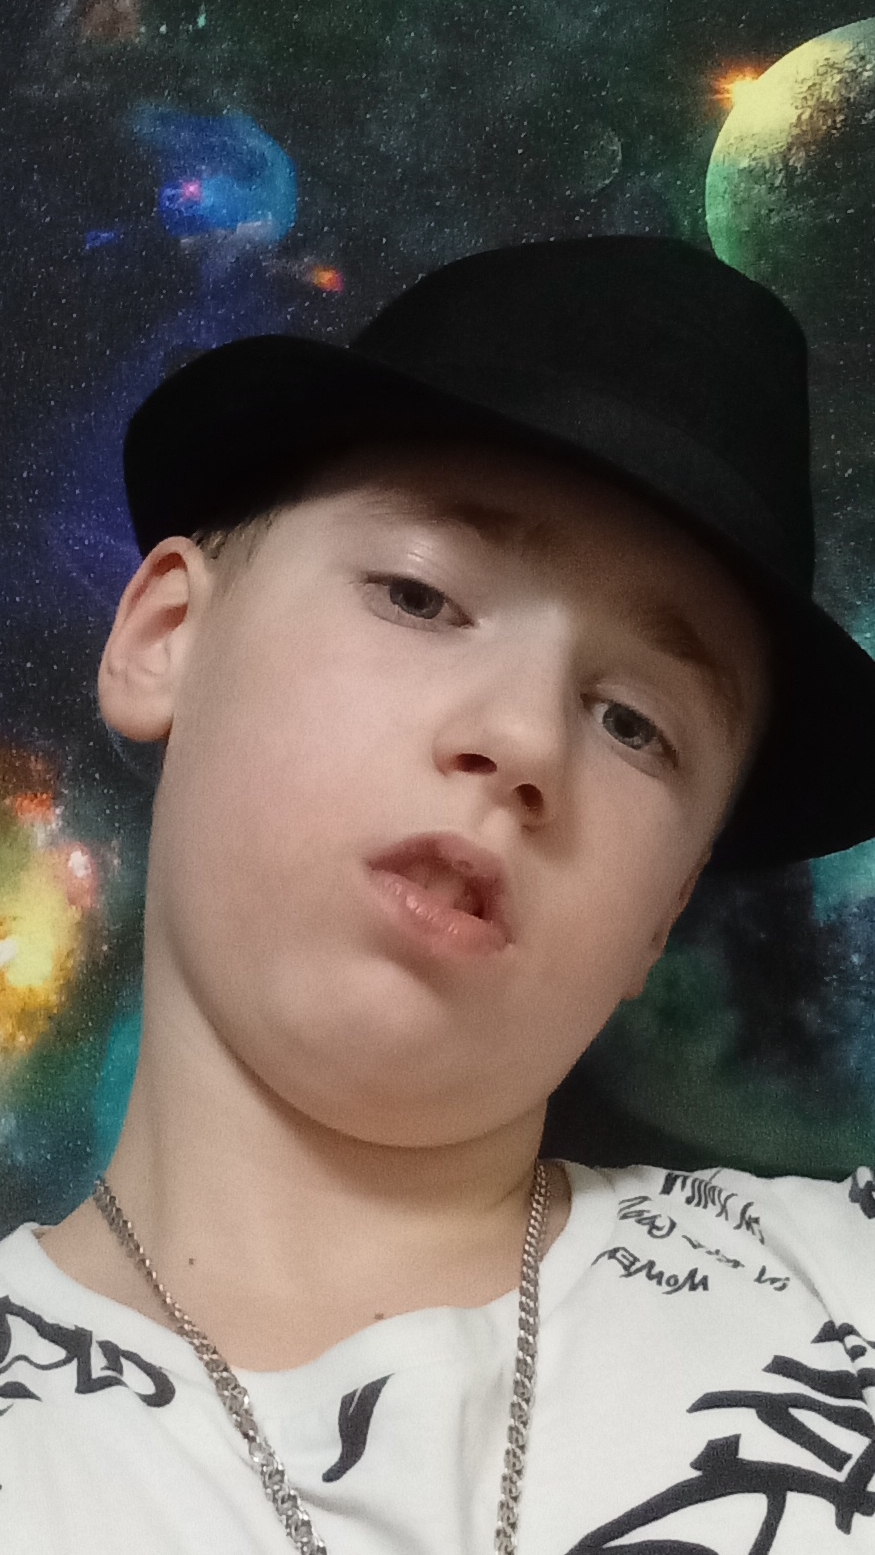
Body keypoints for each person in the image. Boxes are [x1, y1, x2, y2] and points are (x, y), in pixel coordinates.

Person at [2, 237, 875, 1554]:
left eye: (634, 724)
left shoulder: (846, 1295)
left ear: (668, 904)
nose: (522, 740)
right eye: (420, 596)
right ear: (168, 635)